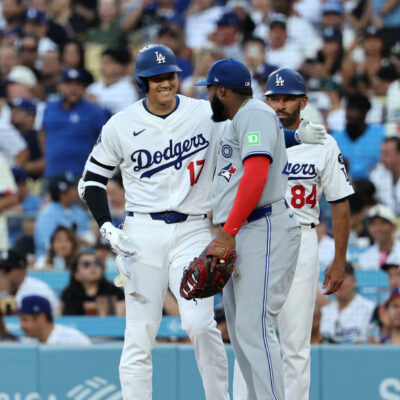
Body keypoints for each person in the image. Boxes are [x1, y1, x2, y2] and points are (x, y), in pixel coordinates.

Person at [78, 44, 230, 400]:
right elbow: (92, 181)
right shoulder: (121, 123)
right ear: (141, 82)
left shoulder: (205, 113)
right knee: (139, 333)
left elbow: (252, 142)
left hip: (193, 228)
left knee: (199, 324)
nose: (165, 82)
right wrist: (106, 226)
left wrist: (295, 135)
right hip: (142, 233)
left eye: (170, 75)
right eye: (156, 78)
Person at [194, 59, 302, 400]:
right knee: (242, 331)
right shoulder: (242, 118)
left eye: (210, 89)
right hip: (243, 230)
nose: (209, 95)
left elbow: (256, 174)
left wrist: (227, 233)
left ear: (222, 90)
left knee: (254, 328)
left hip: (262, 226)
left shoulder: (253, 113)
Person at [262, 68, 353, 400]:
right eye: (274, 98)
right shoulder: (252, 136)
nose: (280, 105)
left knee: (296, 342)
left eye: (287, 99)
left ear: (303, 101)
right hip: (258, 235)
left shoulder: (324, 142)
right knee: (252, 337)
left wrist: (340, 260)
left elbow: (340, 203)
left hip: (301, 237)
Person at [41, 67, 109, 178]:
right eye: (69, 84)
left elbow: (103, 140)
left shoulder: (95, 111)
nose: (73, 89)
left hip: (82, 174)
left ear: (84, 88)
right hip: (52, 172)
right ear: (59, 86)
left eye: (78, 84)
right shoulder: (49, 108)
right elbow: (42, 133)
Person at [34, 171, 91, 259]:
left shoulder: (79, 211)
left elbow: (88, 238)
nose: (76, 191)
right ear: (63, 194)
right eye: (72, 188)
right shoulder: (47, 213)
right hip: (49, 259)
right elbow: (45, 244)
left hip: (76, 258)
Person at [320, 262, 375, 343]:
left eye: (342, 277)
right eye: (332, 278)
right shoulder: (324, 311)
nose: (337, 283)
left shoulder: (370, 308)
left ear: (354, 281)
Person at [60, 249, 124, 316]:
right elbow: (65, 319)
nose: (93, 267)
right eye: (86, 264)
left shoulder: (115, 291)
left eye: (97, 263)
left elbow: (119, 319)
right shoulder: (69, 294)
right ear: (76, 274)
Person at [0, 249, 59, 315]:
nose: (1, 274)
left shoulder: (38, 289)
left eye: (7, 270)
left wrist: (6, 293)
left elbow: (39, 321)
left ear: (23, 270)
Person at [19, 295, 91, 345]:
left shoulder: (73, 340)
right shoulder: (28, 341)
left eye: (25, 320)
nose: (21, 326)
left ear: (41, 318)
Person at [358, 204, 400, 270]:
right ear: (368, 228)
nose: (378, 228)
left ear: (393, 226)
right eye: (373, 224)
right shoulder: (365, 257)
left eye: (383, 223)